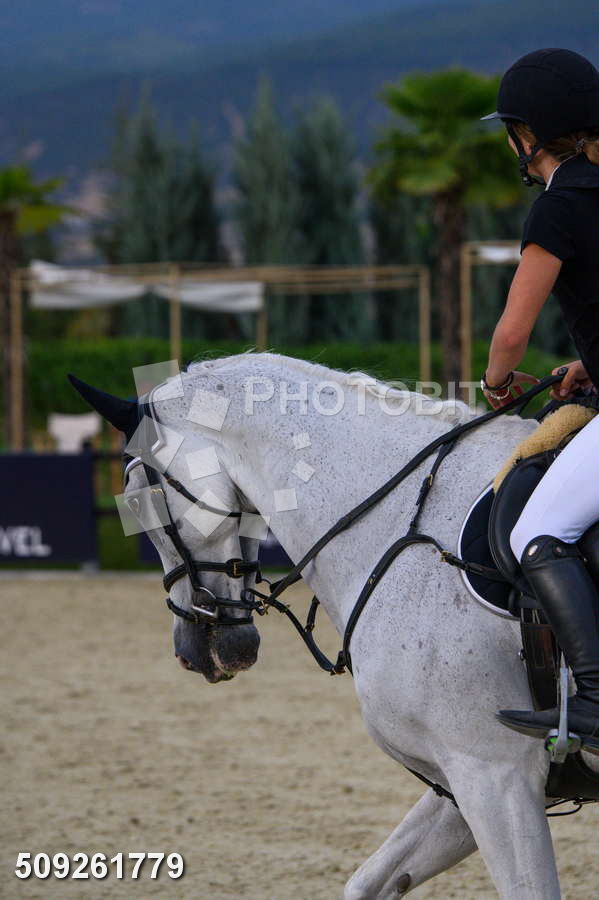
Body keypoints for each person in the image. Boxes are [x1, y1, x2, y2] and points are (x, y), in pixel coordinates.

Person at [480, 48, 599, 751]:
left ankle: (596, 700)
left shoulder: (557, 209)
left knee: (537, 534)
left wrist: (497, 382)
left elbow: (510, 334)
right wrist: (588, 364)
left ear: (527, 136)